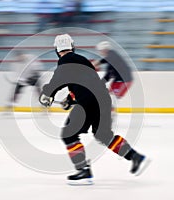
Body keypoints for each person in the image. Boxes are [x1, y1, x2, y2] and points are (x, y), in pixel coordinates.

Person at [39, 34, 150, 185]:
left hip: (88, 102)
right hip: (103, 100)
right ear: (72, 46)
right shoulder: (83, 60)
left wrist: (47, 94)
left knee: (68, 135)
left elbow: (59, 79)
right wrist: (70, 99)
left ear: (57, 50)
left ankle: (83, 169)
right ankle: (134, 156)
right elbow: (85, 82)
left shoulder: (65, 60)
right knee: (103, 135)